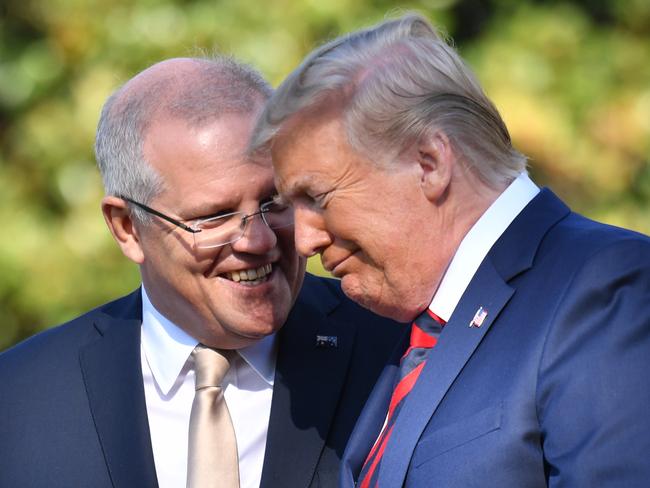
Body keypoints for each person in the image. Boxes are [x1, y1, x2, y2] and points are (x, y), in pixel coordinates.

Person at [250, 13, 650, 488]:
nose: (304, 239)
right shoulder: (410, 330)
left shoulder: (606, 288)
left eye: (316, 198)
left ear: (431, 164)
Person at [0, 56, 403, 488]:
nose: (259, 240)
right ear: (127, 227)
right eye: (216, 217)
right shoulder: (20, 397)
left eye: (276, 201)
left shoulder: (396, 349)